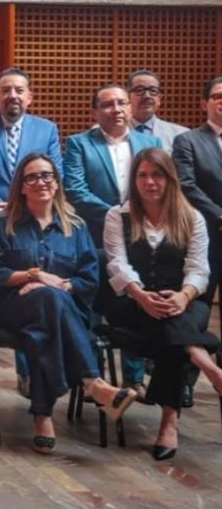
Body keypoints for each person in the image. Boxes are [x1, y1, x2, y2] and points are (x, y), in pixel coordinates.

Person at [0, 152, 138, 455]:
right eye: (32, 177)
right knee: (47, 300)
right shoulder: (1, 225)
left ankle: (43, 414)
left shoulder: (75, 227)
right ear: (21, 186)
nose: (41, 182)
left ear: (56, 182)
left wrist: (61, 285)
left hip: (59, 310)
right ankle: (93, 381)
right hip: (11, 307)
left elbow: (89, 279)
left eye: (47, 175)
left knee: (42, 326)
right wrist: (33, 276)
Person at [102, 148, 222, 461]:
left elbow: (199, 269)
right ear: (134, 179)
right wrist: (141, 295)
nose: (149, 182)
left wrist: (183, 296)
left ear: (169, 179)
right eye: (142, 175)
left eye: (157, 175)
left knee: (173, 326)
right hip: (131, 302)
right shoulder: (118, 216)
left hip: (181, 299)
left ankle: (169, 420)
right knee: (175, 330)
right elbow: (117, 263)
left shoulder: (191, 217)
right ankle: (206, 362)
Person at [0, 67, 62, 397]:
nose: (13, 96)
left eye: (19, 90)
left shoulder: (46, 129)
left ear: (29, 96)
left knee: (30, 293)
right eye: (6, 90)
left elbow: (54, 174)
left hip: (31, 230)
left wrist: (22, 206)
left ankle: (27, 371)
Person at [64, 84, 160, 399]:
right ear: (95, 112)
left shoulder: (150, 143)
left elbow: (158, 186)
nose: (116, 109)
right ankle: (94, 380)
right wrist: (118, 215)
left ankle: (134, 378)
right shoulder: (80, 143)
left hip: (140, 239)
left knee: (134, 301)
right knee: (90, 303)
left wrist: (135, 219)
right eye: (107, 105)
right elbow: (76, 189)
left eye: (121, 103)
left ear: (130, 109)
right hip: (93, 237)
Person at [172, 75, 222, 409]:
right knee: (198, 311)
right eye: (218, 96)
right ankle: (186, 381)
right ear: (204, 103)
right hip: (207, 236)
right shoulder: (188, 140)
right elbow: (187, 186)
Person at [128, 69, 188, 152]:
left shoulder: (180, 134)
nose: (147, 96)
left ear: (159, 99)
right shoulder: (115, 133)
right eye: (139, 90)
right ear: (128, 97)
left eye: (153, 90)